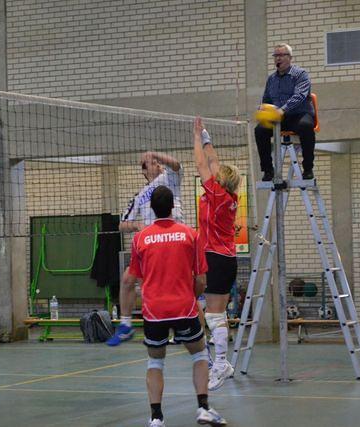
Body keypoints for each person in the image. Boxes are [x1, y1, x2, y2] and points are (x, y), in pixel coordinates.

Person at [118, 185, 226, 427]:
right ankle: (203, 408)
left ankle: (156, 417)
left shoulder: (140, 238)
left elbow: (130, 279)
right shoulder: (191, 235)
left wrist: (125, 318)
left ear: (152, 209)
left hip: (154, 311)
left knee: (155, 362)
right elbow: (201, 280)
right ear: (172, 207)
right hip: (183, 308)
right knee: (199, 354)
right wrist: (190, 297)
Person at [108, 151, 184, 345]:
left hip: (172, 241)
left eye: (158, 162)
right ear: (144, 169)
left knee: (183, 286)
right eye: (152, 162)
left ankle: (183, 326)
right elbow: (122, 225)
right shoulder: (139, 196)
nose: (158, 164)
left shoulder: (169, 179)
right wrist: (136, 226)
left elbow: (175, 164)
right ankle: (126, 325)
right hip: (150, 245)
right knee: (127, 279)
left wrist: (155, 153)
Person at [193, 117, 241, 391]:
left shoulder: (217, 195)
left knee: (214, 315)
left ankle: (221, 363)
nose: (214, 170)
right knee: (215, 313)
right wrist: (207, 136)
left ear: (220, 180)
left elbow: (202, 164)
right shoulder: (228, 196)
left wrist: (195, 138)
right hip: (224, 259)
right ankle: (224, 362)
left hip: (215, 258)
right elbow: (212, 161)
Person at [255, 43, 316, 181]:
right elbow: (267, 99)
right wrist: (262, 108)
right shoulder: (271, 79)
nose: (278, 58)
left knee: (306, 127)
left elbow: (300, 96)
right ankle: (268, 170)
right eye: (275, 56)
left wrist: (283, 109)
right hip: (279, 117)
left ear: (290, 57)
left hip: (299, 114)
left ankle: (308, 168)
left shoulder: (301, 74)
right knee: (260, 130)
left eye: (281, 55)